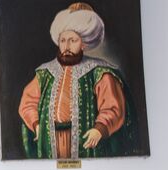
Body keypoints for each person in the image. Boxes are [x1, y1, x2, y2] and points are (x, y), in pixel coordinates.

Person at [18, 2, 137, 159]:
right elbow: (28, 103)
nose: (66, 46)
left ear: (84, 44)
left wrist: (99, 129)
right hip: (51, 140)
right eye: (63, 40)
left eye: (72, 40)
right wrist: (36, 124)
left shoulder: (100, 72)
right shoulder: (44, 73)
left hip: (88, 141)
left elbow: (113, 107)